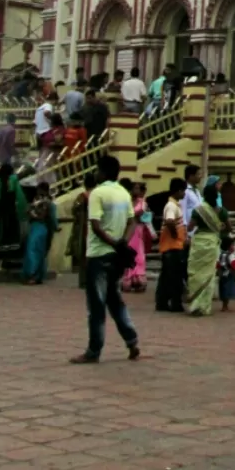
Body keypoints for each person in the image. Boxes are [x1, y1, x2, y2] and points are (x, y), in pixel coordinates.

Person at [71, 154, 141, 364]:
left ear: (102, 172)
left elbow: (95, 225)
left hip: (99, 254)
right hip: (117, 255)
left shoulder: (97, 193)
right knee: (115, 300)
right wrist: (122, 243)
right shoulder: (123, 193)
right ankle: (132, 340)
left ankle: (94, 349)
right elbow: (132, 222)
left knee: (97, 305)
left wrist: (112, 242)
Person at [186, 187, 225, 315]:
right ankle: (204, 307)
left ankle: (195, 305)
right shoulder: (221, 211)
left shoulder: (199, 210)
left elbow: (190, 227)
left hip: (199, 244)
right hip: (212, 243)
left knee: (195, 273)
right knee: (209, 274)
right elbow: (229, 227)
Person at [0, 163, 27, 270]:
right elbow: (21, 200)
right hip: (11, 216)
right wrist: (22, 214)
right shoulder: (13, 182)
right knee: (9, 239)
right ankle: (4, 263)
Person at [156, 178, 187, 312]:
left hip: (172, 247)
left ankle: (162, 302)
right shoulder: (171, 206)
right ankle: (175, 303)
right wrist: (175, 234)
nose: (184, 194)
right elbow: (169, 221)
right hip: (172, 247)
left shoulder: (174, 205)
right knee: (174, 278)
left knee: (167, 277)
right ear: (179, 191)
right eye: (183, 191)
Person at [22, 181, 58, 284]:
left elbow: (42, 216)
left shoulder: (46, 202)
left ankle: (32, 275)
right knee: (38, 251)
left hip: (40, 227)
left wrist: (31, 213)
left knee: (33, 250)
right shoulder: (39, 201)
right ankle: (36, 275)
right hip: (37, 228)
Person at [68, 170, 99, 287]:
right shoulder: (98, 195)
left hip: (84, 227)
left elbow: (74, 211)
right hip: (98, 226)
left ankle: (84, 280)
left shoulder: (82, 196)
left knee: (83, 254)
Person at [120, 182, 152, 294]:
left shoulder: (143, 203)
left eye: (138, 189)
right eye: (135, 188)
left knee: (138, 255)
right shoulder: (126, 203)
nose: (137, 191)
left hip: (138, 231)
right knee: (128, 253)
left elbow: (142, 215)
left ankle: (138, 279)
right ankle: (128, 279)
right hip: (128, 230)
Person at [217, 233, 235, 311]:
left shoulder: (221, 254)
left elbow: (218, 265)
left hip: (222, 275)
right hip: (230, 275)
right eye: (232, 245)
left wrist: (219, 274)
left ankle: (224, 305)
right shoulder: (231, 256)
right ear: (228, 246)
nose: (234, 246)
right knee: (228, 290)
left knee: (223, 290)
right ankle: (225, 306)